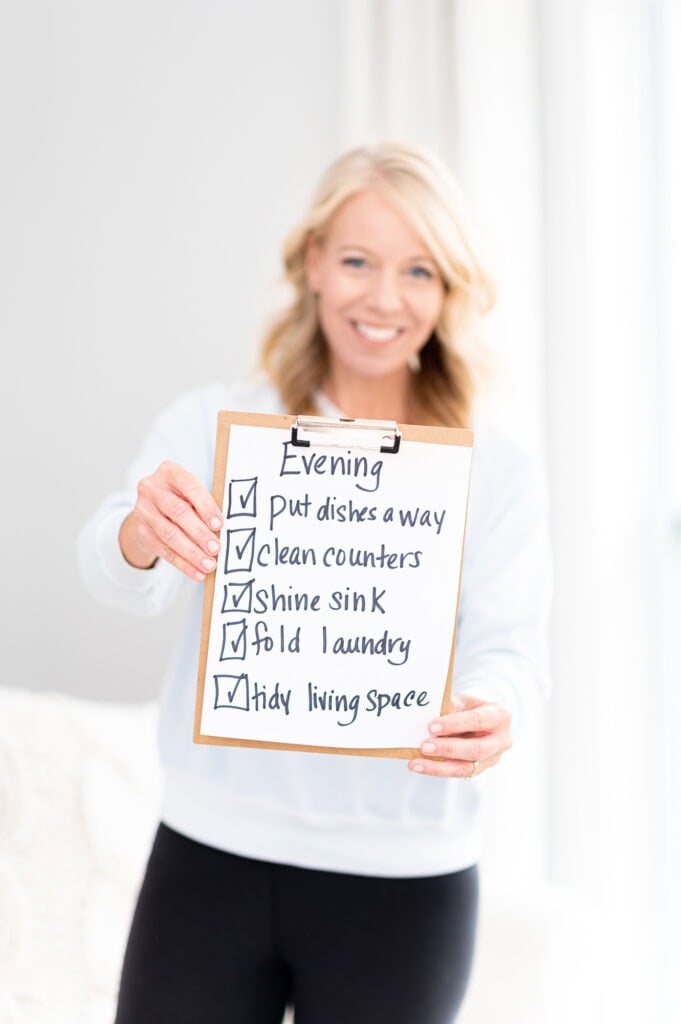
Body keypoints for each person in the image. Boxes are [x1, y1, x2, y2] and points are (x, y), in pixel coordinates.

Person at [78, 142, 551, 1024]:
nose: (382, 298)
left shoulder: (496, 469)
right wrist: (145, 530)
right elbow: (113, 567)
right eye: (357, 261)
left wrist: (490, 707)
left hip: (406, 874)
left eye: (417, 270)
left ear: (448, 290)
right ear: (312, 266)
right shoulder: (220, 425)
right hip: (212, 851)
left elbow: (510, 646)